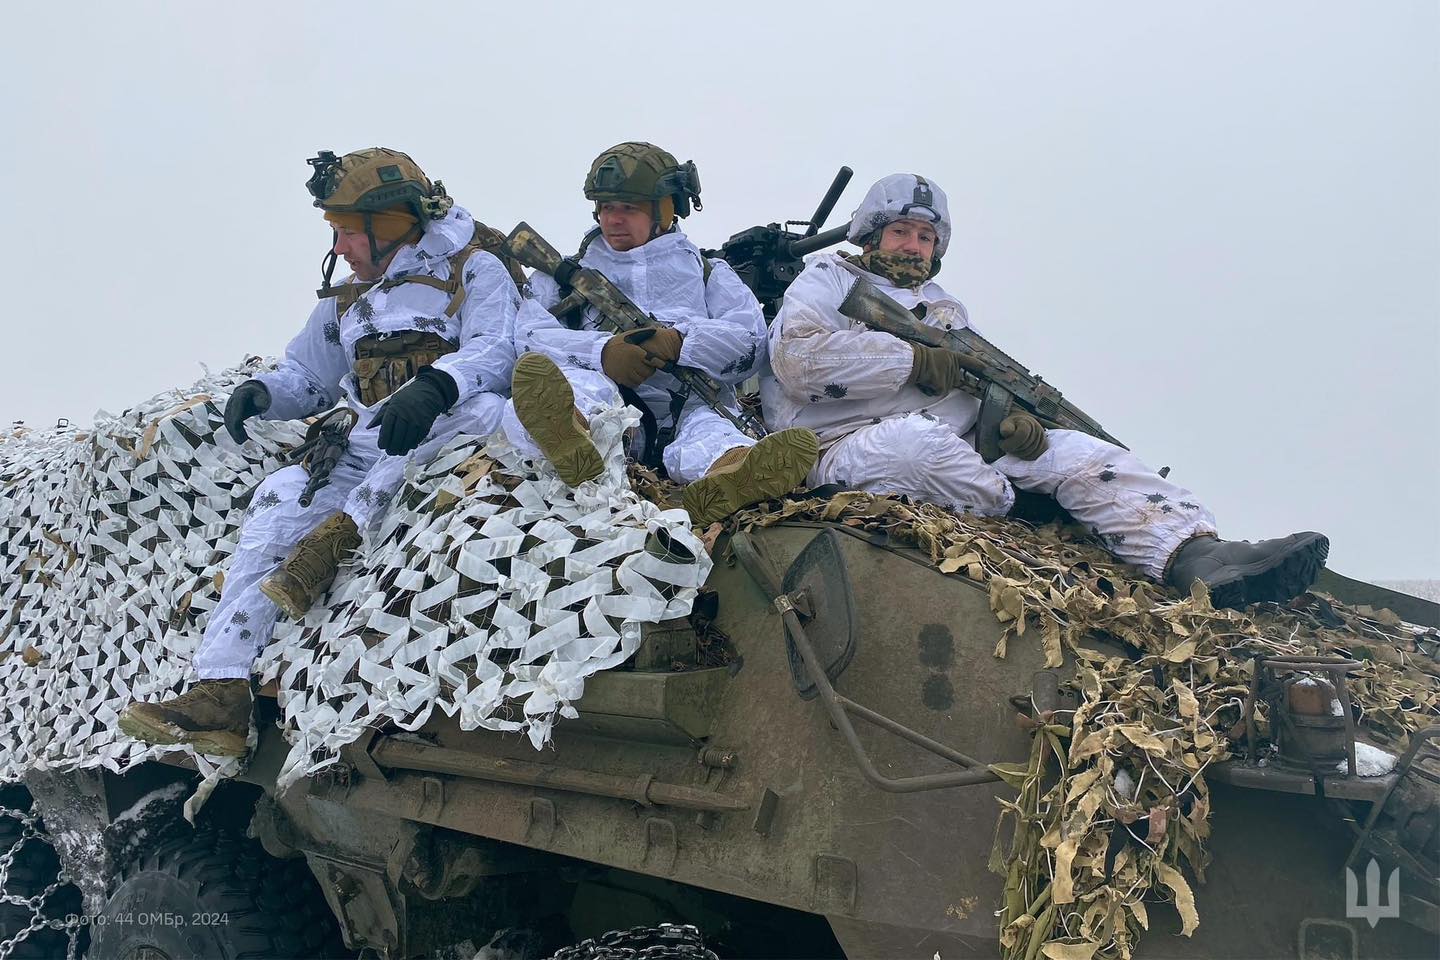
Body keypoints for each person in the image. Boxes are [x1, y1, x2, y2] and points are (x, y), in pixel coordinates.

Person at [761, 173, 1329, 607]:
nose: (914, 245)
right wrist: (910, 361)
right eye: (902, 231)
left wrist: (1011, 426)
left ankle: (1198, 557)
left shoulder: (944, 307)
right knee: (917, 447)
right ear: (871, 234)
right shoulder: (826, 281)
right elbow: (797, 364)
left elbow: (976, 382)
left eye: (926, 236)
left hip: (958, 441)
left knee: (1086, 454)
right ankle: (1029, 511)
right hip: (841, 445)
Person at [119, 148, 521, 755]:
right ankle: (221, 691)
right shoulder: (347, 300)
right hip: (364, 439)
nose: (339, 248)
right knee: (276, 499)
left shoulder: (473, 271)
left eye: (345, 232)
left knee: (484, 413)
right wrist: (264, 394)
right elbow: (309, 375)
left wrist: (438, 386)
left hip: (442, 429)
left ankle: (344, 532)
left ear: (387, 226)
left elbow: (498, 350)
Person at [502, 141, 817, 524]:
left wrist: (680, 341)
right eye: (606, 208)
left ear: (666, 211)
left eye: (628, 208)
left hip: (689, 403)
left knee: (711, 433)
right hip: (606, 403)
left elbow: (750, 343)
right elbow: (529, 338)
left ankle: (731, 474)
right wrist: (603, 352)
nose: (613, 220)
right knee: (572, 396)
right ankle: (572, 443)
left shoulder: (709, 274)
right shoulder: (563, 275)